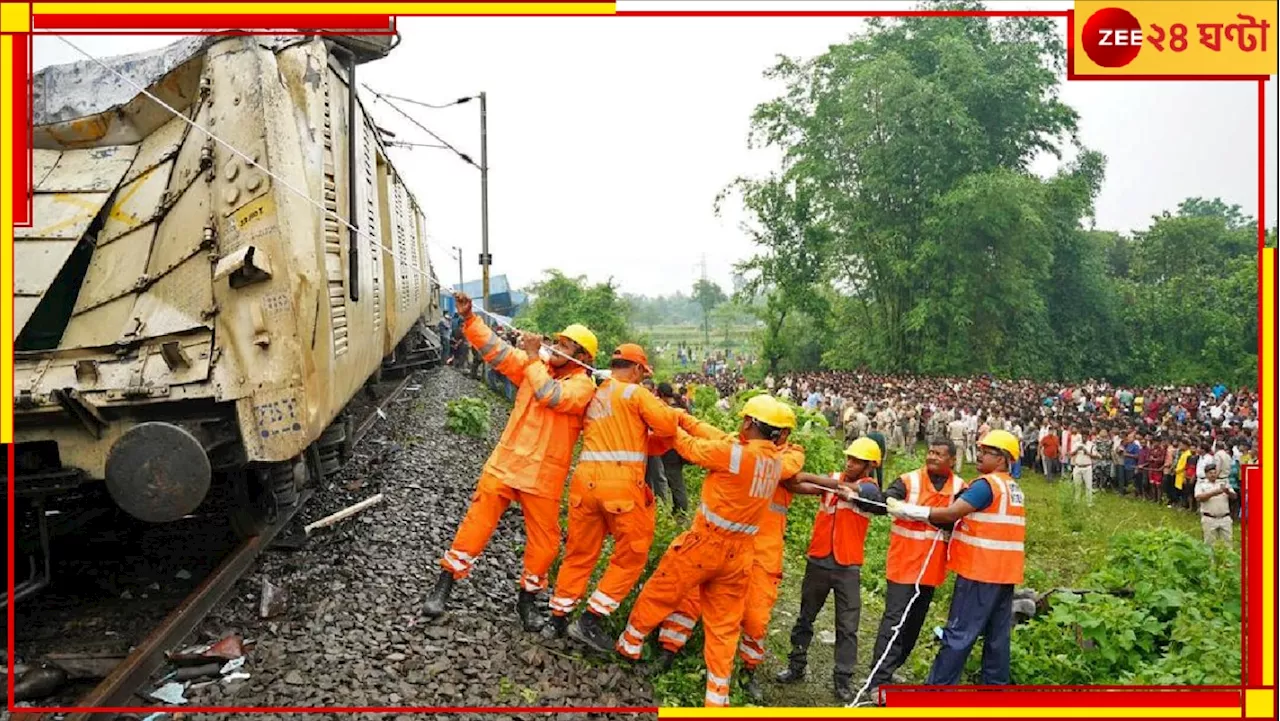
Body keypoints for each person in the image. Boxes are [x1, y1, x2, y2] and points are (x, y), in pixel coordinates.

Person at [423, 291, 598, 629]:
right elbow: (497, 351)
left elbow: (551, 396)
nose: (557, 346)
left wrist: (533, 357)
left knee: (544, 546)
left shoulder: (582, 386)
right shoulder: (537, 366)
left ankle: (527, 603)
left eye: (566, 344)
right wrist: (470, 319)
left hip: (543, 478)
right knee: (474, 527)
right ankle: (442, 589)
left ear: (582, 357)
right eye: (557, 341)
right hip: (504, 465)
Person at [654, 405, 852, 703]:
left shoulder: (791, 454)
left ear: (784, 433)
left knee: (756, 618)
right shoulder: (741, 446)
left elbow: (791, 475)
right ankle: (668, 652)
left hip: (763, 551)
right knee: (690, 599)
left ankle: (748, 672)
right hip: (722, 542)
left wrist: (826, 484)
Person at [615, 396, 796, 707]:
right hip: (739, 557)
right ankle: (717, 696)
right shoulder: (776, 462)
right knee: (724, 627)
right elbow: (712, 435)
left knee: (662, 591)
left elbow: (687, 447)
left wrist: (665, 420)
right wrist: (683, 416)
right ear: (779, 435)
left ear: (749, 423)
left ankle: (629, 645)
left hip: (705, 544)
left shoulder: (732, 454)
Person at [546, 344, 690, 649]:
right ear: (637, 369)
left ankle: (557, 618)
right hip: (620, 485)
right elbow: (665, 426)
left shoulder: (594, 393)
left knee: (578, 553)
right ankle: (591, 619)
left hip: (584, 483)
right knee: (632, 554)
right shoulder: (635, 393)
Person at [887, 429, 1025, 685]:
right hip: (1004, 574)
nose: (980, 456)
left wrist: (908, 510)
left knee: (959, 634)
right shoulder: (1013, 488)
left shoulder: (986, 486)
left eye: (987, 452)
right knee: (997, 639)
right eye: (980, 450)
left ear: (1003, 458)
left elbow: (951, 514)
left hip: (979, 571)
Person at [775, 438, 885, 702]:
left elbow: (865, 495)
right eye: (848, 458)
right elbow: (795, 483)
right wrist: (792, 473)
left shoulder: (870, 488)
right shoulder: (835, 478)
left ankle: (842, 678)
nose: (849, 463)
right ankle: (796, 665)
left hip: (847, 565)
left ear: (870, 465)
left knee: (847, 626)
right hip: (819, 559)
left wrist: (818, 479)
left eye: (856, 461)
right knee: (805, 616)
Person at [861, 439, 966, 702]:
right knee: (894, 623)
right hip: (904, 565)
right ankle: (878, 681)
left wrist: (917, 512)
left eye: (939, 454)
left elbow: (960, 520)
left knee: (913, 626)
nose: (932, 457)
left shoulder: (960, 487)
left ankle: (891, 667)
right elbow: (888, 502)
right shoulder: (909, 480)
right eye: (930, 452)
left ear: (952, 460)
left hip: (931, 569)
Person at [1194, 463, 1235, 545]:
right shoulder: (1201, 484)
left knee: (1228, 543)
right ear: (1206, 474)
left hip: (1224, 517)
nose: (1213, 475)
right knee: (1209, 544)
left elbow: (1234, 497)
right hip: (1209, 518)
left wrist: (1227, 491)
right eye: (1210, 473)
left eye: (1214, 473)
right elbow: (1198, 498)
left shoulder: (1223, 483)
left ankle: (1226, 558)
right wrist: (1213, 493)